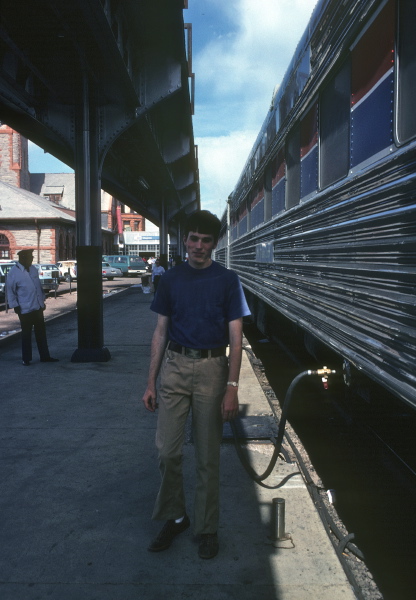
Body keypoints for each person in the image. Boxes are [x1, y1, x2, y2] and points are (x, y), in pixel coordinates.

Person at [142, 210, 250, 559]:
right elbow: (160, 332)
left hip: (212, 370)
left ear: (214, 244)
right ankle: (176, 517)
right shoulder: (171, 280)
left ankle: (207, 527)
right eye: (193, 239)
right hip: (174, 366)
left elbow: (237, 338)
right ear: (184, 240)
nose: (198, 246)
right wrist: (151, 383)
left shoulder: (228, 281)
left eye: (206, 240)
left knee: (207, 456)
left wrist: (232, 386)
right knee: (167, 451)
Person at [6, 249, 59, 366]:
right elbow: (10, 292)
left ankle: (45, 356)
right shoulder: (13, 273)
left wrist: (42, 301)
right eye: (30, 258)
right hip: (24, 309)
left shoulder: (33, 269)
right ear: (23, 259)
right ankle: (26, 358)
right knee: (26, 334)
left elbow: (38, 287)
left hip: (37, 307)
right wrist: (15, 306)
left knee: (41, 333)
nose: (32, 260)